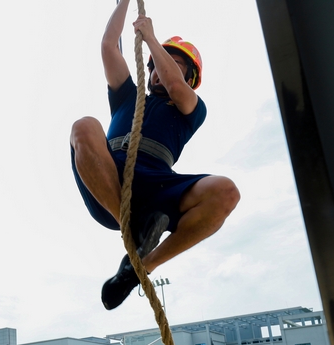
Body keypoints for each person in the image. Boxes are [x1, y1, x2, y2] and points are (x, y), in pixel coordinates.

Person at [70, 0, 239, 310]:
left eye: (176, 64)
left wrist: (150, 37)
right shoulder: (127, 98)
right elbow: (109, 46)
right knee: (84, 126)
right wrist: (123, 3)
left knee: (226, 192)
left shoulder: (191, 108)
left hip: (158, 188)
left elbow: (175, 84)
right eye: (158, 65)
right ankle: (130, 227)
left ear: (190, 77)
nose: (161, 71)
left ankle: (142, 266)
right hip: (110, 182)